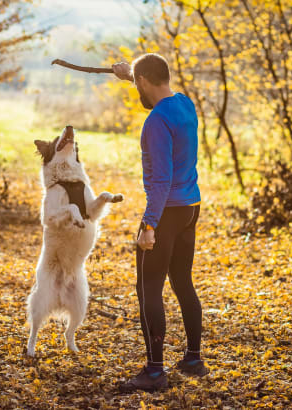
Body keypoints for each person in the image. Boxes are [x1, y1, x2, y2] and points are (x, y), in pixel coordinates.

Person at [112, 54, 208, 393]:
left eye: (137, 81)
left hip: (165, 212)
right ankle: (193, 359)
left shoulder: (155, 122)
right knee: (182, 281)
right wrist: (132, 76)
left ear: (142, 82)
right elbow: (157, 88)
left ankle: (154, 372)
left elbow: (161, 180)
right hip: (190, 208)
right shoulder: (184, 104)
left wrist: (148, 224)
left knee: (148, 289)